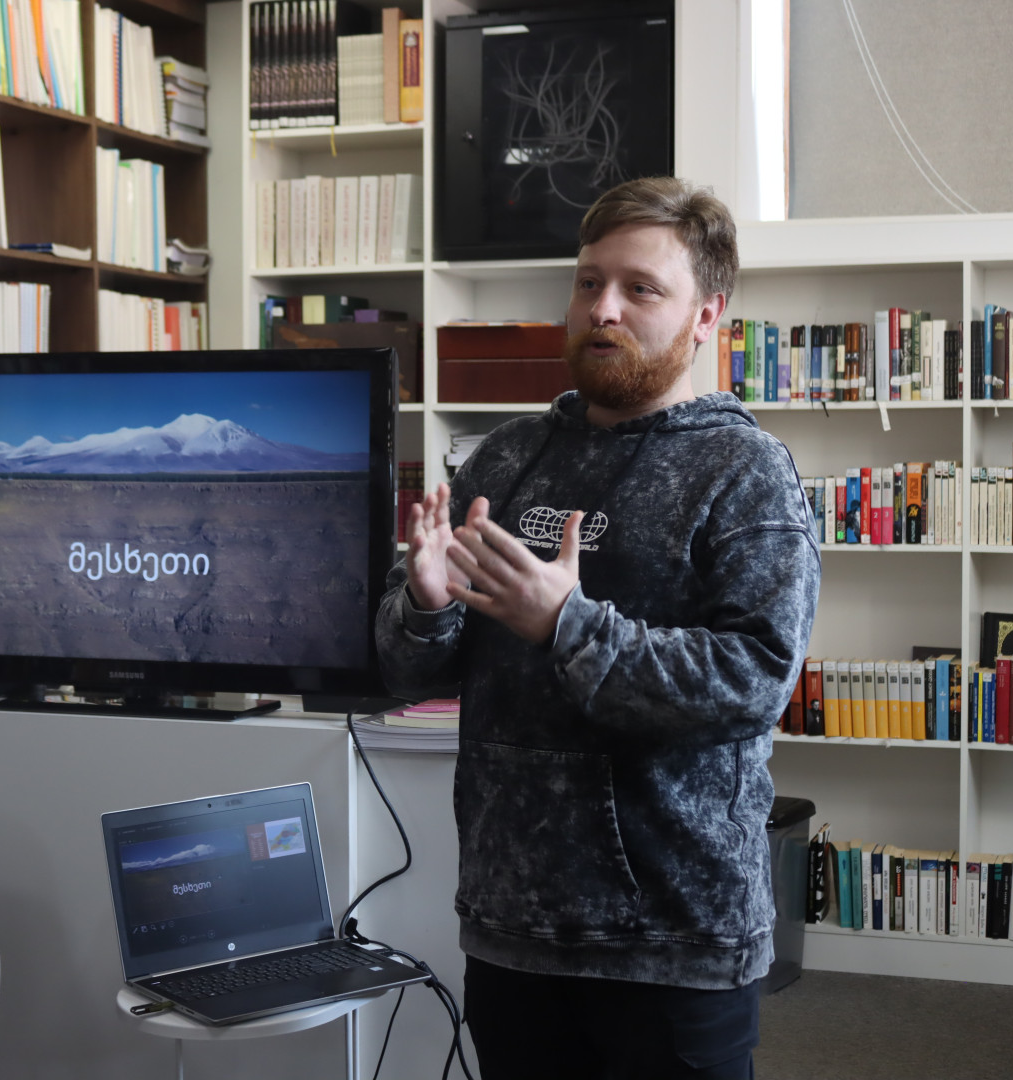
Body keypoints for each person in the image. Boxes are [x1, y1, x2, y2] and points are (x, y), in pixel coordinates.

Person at [374, 176, 821, 1079]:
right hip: (512, 928)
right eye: (587, 283)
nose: (601, 308)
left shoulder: (747, 474)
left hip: (673, 939)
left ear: (707, 316)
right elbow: (404, 669)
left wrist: (567, 625)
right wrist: (423, 604)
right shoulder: (503, 458)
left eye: (639, 288)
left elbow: (753, 681)